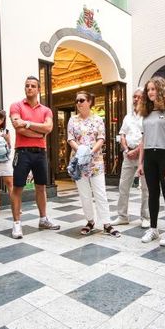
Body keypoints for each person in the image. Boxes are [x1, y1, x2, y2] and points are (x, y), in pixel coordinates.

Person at [9, 75, 60, 239]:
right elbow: (18, 127)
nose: (29, 88)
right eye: (27, 86)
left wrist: (29, 124)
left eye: (32, 86)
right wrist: (40, 133)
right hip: (22, 152)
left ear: (38, 89)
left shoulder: (46, 110)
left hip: (40, 153)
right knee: (18, 188)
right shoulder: (16, 106)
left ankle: (43, 219)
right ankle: (17, 224)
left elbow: (49, 127)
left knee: (41, 187)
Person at [67, 91, 120, 237]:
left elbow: (101, 138)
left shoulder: (97, 120)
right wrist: (81, 152)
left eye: (82, 100)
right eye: (77, 100)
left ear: (90, 102)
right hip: (79, 162)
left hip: (95, 161)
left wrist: (90, 153)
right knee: (84, 194)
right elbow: (70, 138)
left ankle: (107, 223)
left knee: (100, 192)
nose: (78, 103)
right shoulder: (72, 120)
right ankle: (90, 221)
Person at [138, 77, 165, 244]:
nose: (150, 92)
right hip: (149, 156)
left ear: (161, 90)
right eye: (148, 90)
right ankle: (153, 229)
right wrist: (140, 162)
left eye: (153, 89)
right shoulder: (146, 114)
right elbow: (143, 140)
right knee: (152, 194)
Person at [114, 89, 149, 228]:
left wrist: (136, 150)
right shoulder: (127, 117)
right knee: (123, 186)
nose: (135, 99)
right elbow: (122, 134)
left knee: (146, 188)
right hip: (128, 156)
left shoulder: (147, 116)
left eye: (139, 97)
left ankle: (145, 217)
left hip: (144, 155)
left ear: (144, 99)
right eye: (134, 96)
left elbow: (147, 137)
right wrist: (127, 150)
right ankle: (122, 216)